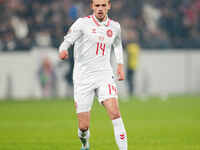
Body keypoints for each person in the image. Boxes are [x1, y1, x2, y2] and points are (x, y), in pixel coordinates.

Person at [59, 0, 127, 149]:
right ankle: (85, 144)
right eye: (97, 5)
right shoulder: (82, 23)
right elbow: (67, 40)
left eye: (103, 5)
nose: (100, 8)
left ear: (109, 6)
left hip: (104, 75)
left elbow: (117, 44)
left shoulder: (115, 27)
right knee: (83, 126)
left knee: (115, 113)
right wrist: (62, 50)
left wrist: (120, 65)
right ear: (92, 7)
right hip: (83, 78)